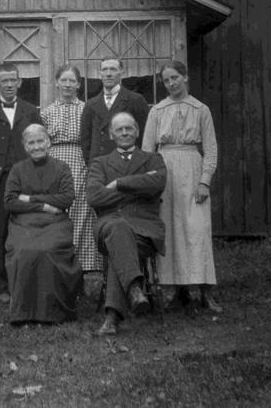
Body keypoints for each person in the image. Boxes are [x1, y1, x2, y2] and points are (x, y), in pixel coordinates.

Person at [142, 59, 221, 313]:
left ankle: (204, 290)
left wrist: (204, 181)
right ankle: (174, 289)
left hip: (192, 167)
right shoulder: (157, 111)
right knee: (169, 229)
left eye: (174, 77)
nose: (171, 83)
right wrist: (151, 180)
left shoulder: (201, 109)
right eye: (166, 80)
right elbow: (146, 150)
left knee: (196, 229)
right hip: (165, 170)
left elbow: (210, 149)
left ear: (184, 77)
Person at [87, 112, 166, 336]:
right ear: (112, 134)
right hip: (108, 225)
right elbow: (94, 197)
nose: (124, 133)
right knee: (119, 229)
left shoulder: (154, 159)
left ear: (137, 131)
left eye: (129, 128)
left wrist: (119, 183)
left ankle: (112, 319)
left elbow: (158, 183)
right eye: (119, 129)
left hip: (144, 231)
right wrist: (138, 189)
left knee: (119, 249)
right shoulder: (100, 163)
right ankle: (133, 288)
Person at [0, 62, 42, 304]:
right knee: (0, 234)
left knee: (27, 231)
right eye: (5, 80)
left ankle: (26, 284)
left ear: (20, 82)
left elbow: (39, 145)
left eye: (13, 80)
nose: (10, 84)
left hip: (26, 182)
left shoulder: (31, 111)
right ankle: (1, 287)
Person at [4, 124, 83, 325]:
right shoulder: (17, 169)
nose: (37, 146)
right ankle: (23, 313)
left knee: (47, 250)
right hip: (24, 225)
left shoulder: (62, 167)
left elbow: (66, 198)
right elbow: (10, 202)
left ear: (48, 142)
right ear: (25, 146)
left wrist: (29, 199)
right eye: (31, 142)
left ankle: (52, 313)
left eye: (40, 141)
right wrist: (45, 205)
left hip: (56, 223)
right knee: (25, 251)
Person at [40, 64, 101, 275]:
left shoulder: (87, 108)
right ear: (56, 83)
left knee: (81, 213)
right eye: (63, 80)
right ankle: (58, 268)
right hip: (54, 162)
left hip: (80, 161)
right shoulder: (46, 112)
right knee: (58, 213)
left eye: (72, 81)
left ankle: (81, 269)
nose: (67, 85)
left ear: (78, 84)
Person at [79, 58, 150, 163]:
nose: (108, 74)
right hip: (99, 164)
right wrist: (92, 163)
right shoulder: (91, 104)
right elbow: (85, 140)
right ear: (100, 73)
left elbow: (144, 135)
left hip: (127, 163)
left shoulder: (135, 100)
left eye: (113, 69)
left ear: (121, 72)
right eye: (104, 70)